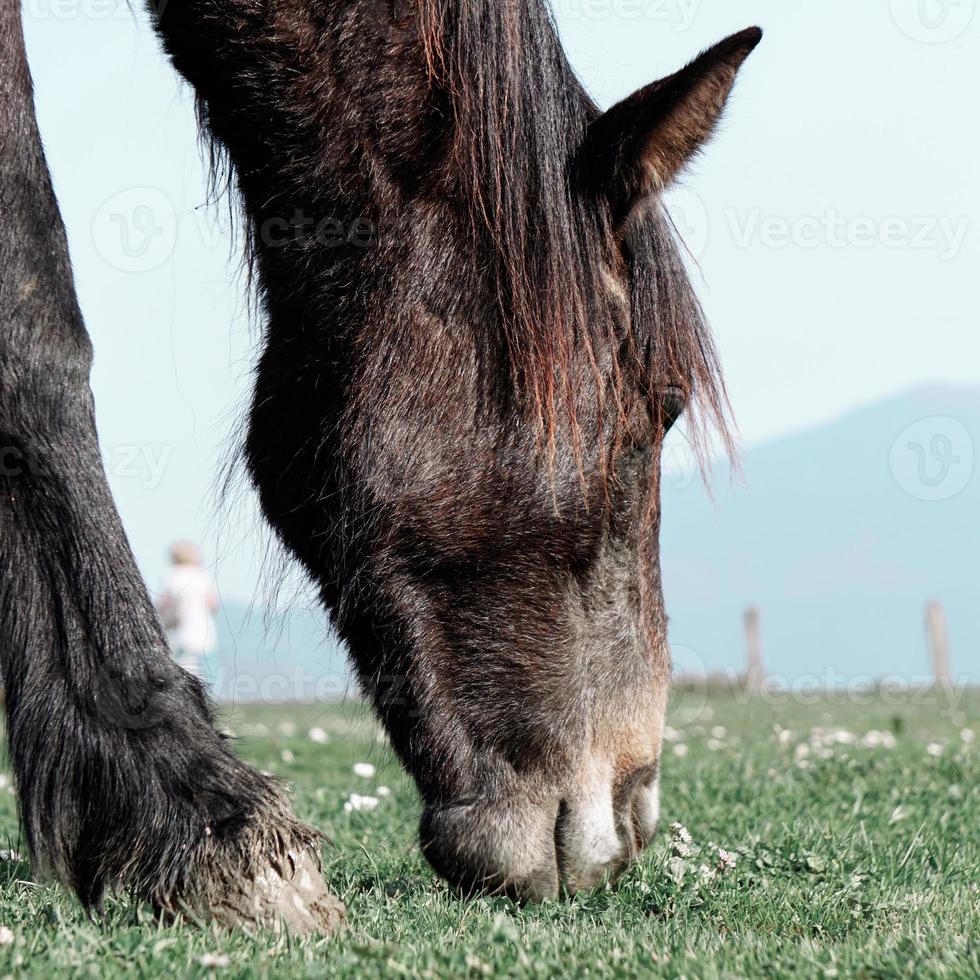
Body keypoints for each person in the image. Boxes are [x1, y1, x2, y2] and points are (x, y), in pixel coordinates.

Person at [156, 541, 219, 684]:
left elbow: (163, 604)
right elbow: (213, 605)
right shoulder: (203, 576)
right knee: (205, 673)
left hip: (180, 632)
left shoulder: (172, 576)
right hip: (205, 632)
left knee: (182, 672)